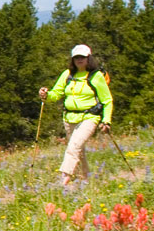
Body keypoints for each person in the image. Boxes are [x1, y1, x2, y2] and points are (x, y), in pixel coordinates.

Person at [39, 44, 113, 186]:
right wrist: (46, 95)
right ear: (72, 59)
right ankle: (84, 179)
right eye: (76, 57)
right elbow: (56, 94)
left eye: (82, 57)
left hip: (89, 117)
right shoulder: (67, 75)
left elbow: (107, 100)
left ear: (88, 58)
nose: (79, 60)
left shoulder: (96, 76)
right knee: (79, 150)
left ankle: (64, 179)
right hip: (69, 118)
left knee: (73, 146)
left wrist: (106, 120)